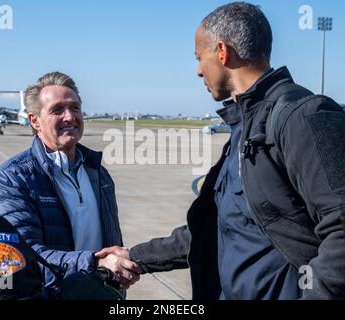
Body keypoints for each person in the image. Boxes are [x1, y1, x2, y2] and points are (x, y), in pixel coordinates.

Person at [98, 2, 345, 300]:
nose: (198, 71)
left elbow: (340, 229)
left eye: (199, 57)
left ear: (222, 52)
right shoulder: (245, 127)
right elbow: (220, 226)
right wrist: (136, 257)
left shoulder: (300, 116)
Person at [0, 72, 140, 297]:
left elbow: (112, 242)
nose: (69, 116)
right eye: (57, 110)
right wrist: (94, 264)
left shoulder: (98, 173)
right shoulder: (12, 179)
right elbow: (20, 259)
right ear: (35, 121)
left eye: (74, 107)